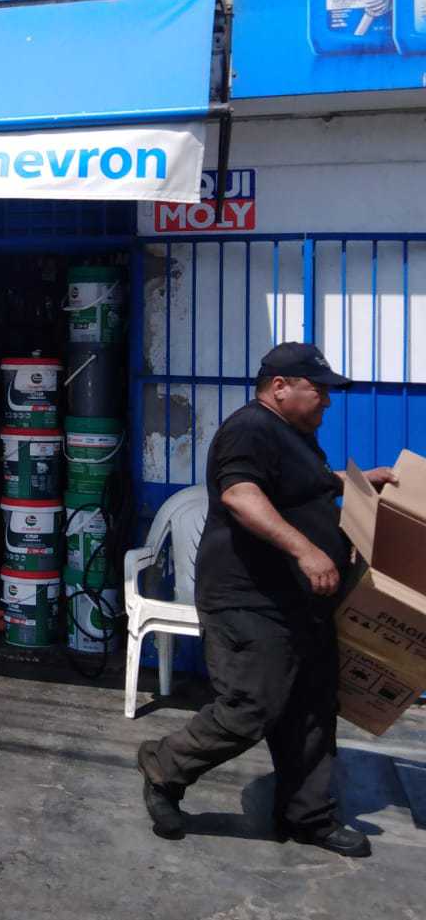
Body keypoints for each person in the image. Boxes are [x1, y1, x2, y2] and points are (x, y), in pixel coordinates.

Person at [137, 342, 398, 858]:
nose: (328, 401)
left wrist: (358, 481)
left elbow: (306, 487)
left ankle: (309, 817)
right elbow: (241, 494)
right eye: (319, 389)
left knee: (312, 706)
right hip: (249, 599)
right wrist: (306, 551)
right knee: (252, 705)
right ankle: (164, 768)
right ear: (279, 387)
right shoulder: (250, 429)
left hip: (301, 602)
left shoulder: (295, 436)